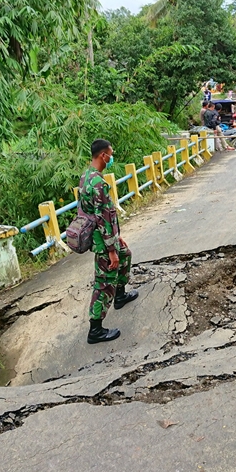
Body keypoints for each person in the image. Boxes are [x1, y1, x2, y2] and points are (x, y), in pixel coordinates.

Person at [79, 139, 139, 344]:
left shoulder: (86, 176)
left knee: (126, 255)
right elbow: (102, 216)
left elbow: (97, 214)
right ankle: (95, 329)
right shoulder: (98, 184)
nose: (111, 158)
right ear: (103, 155)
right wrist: (111, 248)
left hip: (106, 236)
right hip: (103, 241)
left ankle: (120, 295)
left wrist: (116, 237)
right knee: (103, 283)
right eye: (110, 154)